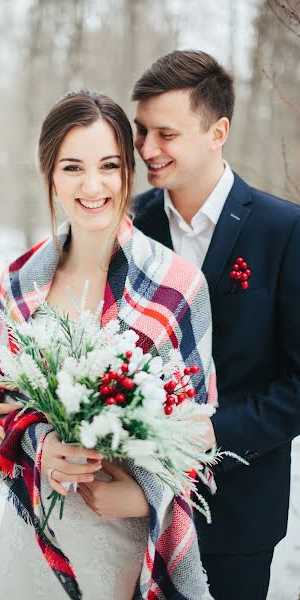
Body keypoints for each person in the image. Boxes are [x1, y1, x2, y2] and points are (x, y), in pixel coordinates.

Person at [0, 90, 217, 600]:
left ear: (127, 172)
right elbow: (8, 405)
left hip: (123, 543)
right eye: (72, 167)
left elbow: (198, 430)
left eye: (108, 165)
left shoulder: (176, 286)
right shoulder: (18, 282)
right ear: (49, 175)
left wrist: (142, 496)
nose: (92, 186)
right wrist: (42, 447)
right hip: (34, 527)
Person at [131, 50, 300, 600]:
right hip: (134, 511)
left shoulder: (284, 230)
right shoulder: (130, 224)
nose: (147, 150)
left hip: (237, 516)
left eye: (165, 133)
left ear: (217, 131)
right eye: (141, 132)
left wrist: (213, 434)